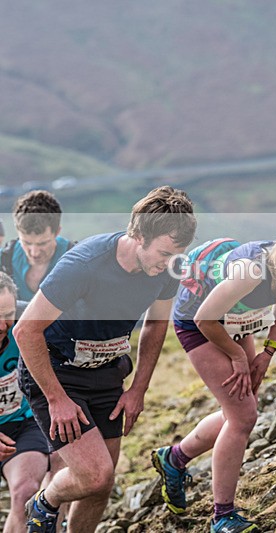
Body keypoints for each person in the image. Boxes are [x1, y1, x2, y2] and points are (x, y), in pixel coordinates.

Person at [15, 186, 196, 533]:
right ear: (139, 235)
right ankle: (44, 502)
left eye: (176, 255)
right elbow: (25, 332)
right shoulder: (84, 265)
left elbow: (157, 325)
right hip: (57, 372)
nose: (168, 263)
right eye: (163, 253)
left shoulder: (169, 267)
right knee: (94, 474)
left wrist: (138, 389)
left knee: (101, 484)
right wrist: (57, 399)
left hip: (107, 373)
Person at [151, 220, 276, 533]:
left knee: (238, 410)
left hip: (236, 320)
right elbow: (204, 318)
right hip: (200, 322)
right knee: (243, 416)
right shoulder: (251, 272)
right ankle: (222, 517)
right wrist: (237, 356)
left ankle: (175, 458)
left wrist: (268, 352)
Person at [0, 273, 58, 532]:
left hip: (22, 424)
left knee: (25, 494)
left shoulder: (28, 320)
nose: (3, 325)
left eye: (8, 313)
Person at [1, 191, 75, 303]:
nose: (34, 253)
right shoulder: (4, 259)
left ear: (57, 232)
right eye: (27, 243)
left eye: (42, 243)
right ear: (17, 232)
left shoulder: (77, 261)